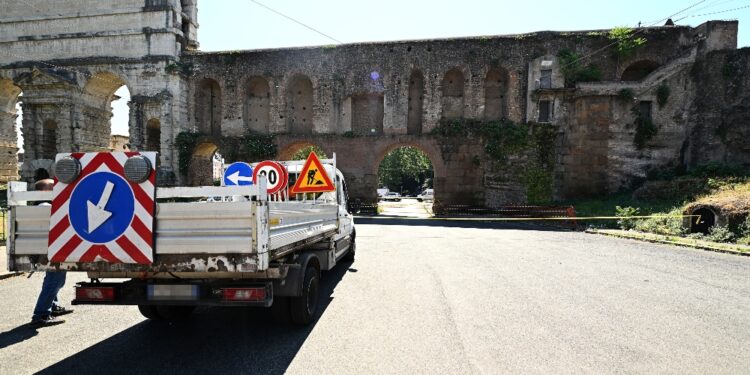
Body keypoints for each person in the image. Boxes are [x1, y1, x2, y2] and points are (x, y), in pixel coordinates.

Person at [30, 178, 73, 327]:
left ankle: (53, 306)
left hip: (49, 250)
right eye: (52, 187)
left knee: (53, 279)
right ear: (44, 192)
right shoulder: (45, 206)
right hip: (50, 251)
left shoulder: (44, 205)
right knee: (55, 281)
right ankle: (41, 314)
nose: (56, 189)